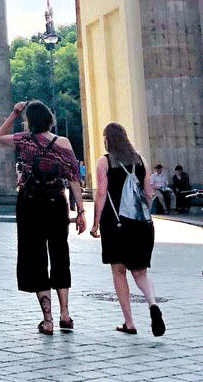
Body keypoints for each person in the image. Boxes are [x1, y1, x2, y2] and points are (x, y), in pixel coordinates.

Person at [0, 100, 85, 335]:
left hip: (30, 204)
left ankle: (48, 320)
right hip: (56, 203)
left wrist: (14, 112)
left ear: (29, 120)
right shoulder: (63, 143)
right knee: (59, 254)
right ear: (50, 119)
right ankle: (66, 314)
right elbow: (74, 177)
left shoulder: (24, 139)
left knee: (36, 258)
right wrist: (82, 211)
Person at [90, 122, 165, 337]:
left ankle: (129, 322)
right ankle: (152, 304)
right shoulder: (140, 160)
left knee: (119, 271)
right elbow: (148, 193)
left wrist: (96, 223)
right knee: (140, 272)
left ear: (107, 140)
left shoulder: (104, 162)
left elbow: (101, 193)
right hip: (141, 224)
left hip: (116, 224)